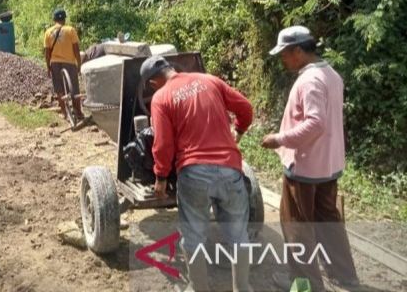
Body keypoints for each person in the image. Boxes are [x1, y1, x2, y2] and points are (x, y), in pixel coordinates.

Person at [142, 55, 254, 292]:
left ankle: (197, 288)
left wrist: (161, 178)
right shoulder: (209, 80)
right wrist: (239, 131)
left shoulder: (161, 97)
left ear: (153, 83)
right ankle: (242, 288)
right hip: (230, 169)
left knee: (193, 238)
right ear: (172, 68)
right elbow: (245, 107)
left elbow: (163, 144)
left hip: (194, 174)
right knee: (238, 236)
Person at [261, 26, 359, 291]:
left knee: (296, 226)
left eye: (284, 54)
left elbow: (315, 123)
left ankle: (305, 283)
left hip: (305, 166)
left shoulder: (310, 81)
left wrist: (279, 139)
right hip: (328, 165)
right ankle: (345, 275)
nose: (283, 60)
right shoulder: (331, 75)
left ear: (298, 51)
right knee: (328, 221)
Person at [43, 9, 84, 119]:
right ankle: (78, 113)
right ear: (64, 19)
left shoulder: (48, 32)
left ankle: (64, 113)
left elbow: (47, 53)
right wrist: (79, 64)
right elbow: (76, 49)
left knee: (59, 89)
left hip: (55, 63)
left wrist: (48, 67)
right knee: (74, 88)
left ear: (54, 19)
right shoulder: (70, 30)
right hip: (69, 63)